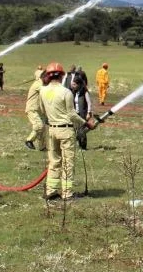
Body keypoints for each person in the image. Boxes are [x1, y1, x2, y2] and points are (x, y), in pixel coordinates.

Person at [39, 62, 95, 201]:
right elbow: (71, 114)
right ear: (62, 75)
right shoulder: (66, 92)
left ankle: (51, 191)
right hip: (65, 131)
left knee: (54, 162)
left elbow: (42, 110)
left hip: (51, 130)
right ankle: (67, 194)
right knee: (67, 163)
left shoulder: (43, 91)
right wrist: (86, 123)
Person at [25, 72, 48, 151]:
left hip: (38, 110)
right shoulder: (38, 84)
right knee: (39, 126)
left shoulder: (41, 84)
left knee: (43, 128)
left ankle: (42, 146)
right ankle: (29, 140)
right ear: (44, 77)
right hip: (32, 109)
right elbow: (47, 92)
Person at [71, 75, 92, 150]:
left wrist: (89, 113)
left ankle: (83, 146)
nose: (72, 86)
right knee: (76, 129)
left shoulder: (85, 92)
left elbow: (89, 103)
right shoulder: (74, 92)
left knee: (82, 130)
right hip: (76, 114)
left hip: (83, 114)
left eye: (74, 84)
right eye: (72, 84)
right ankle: (79, 144)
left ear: (79, 84)